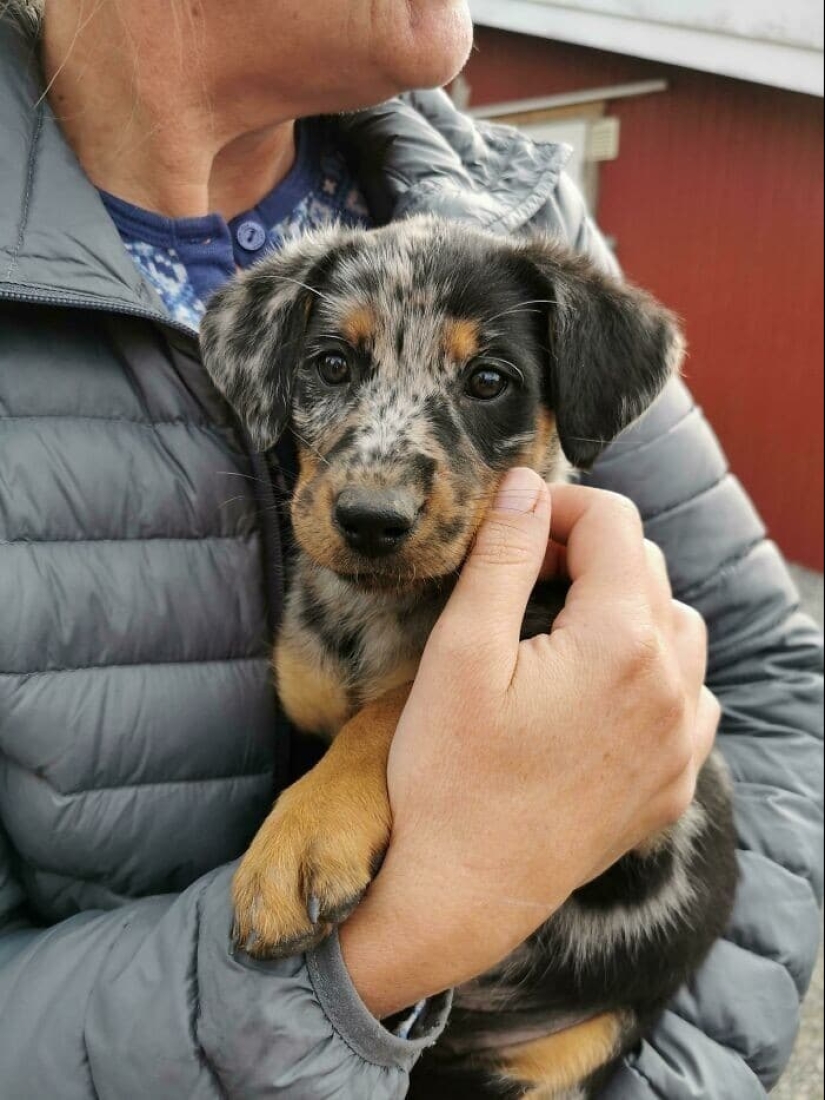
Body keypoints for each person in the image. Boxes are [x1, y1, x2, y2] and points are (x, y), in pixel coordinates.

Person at [0, 2, 821, 1097]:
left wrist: (658, 1075)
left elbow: (775, 687)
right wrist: (394, 943)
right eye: (334, 372)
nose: (380, 480)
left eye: (487, 382)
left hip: (596, 1023)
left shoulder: (517, 213)